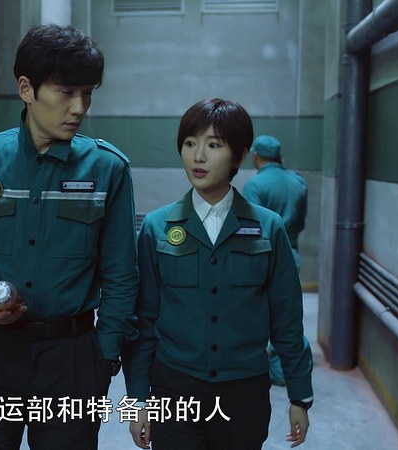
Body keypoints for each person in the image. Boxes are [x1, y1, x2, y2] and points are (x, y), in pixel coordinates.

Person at [0, 24, 138, 450]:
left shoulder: (107, 169)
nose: (79, 108)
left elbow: (121, 272)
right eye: (66, 92)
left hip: (72, 359)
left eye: (87, 94)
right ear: (26, 89)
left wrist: (104, 356)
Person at [123, 98, 313, 449]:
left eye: (213, 145)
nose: (198, 156)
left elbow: (287, 318)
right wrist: (137, 399)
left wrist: (299, 395)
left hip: (243, 392)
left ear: (239, 156)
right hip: (175, 388)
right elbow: (143, 319)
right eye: (190, 143)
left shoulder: (268, 228)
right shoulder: (157, 227)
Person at [243, 134, 309, 387]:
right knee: (287, 313)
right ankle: (285, 371)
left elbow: (252, 228)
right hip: (291, 250)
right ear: (279, 156)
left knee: (259, 311)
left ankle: (263, 367)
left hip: (262, 254)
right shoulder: (298, 182)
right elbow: (301, 221)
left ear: (256, 156)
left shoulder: (255, 185)